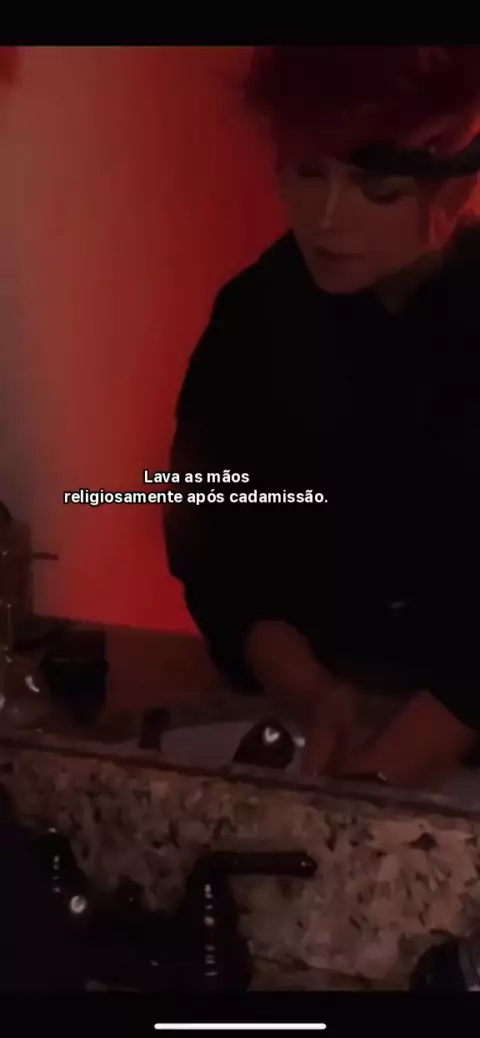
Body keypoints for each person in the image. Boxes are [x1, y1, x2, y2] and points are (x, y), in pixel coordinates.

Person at [164, 46, 480, 789]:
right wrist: (311, 692)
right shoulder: (257, 314)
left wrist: (389, 768)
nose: (328, 219)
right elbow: (215, 534)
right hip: (315, 712)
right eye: (309, 174)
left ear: (455, 191)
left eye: (379, 190)